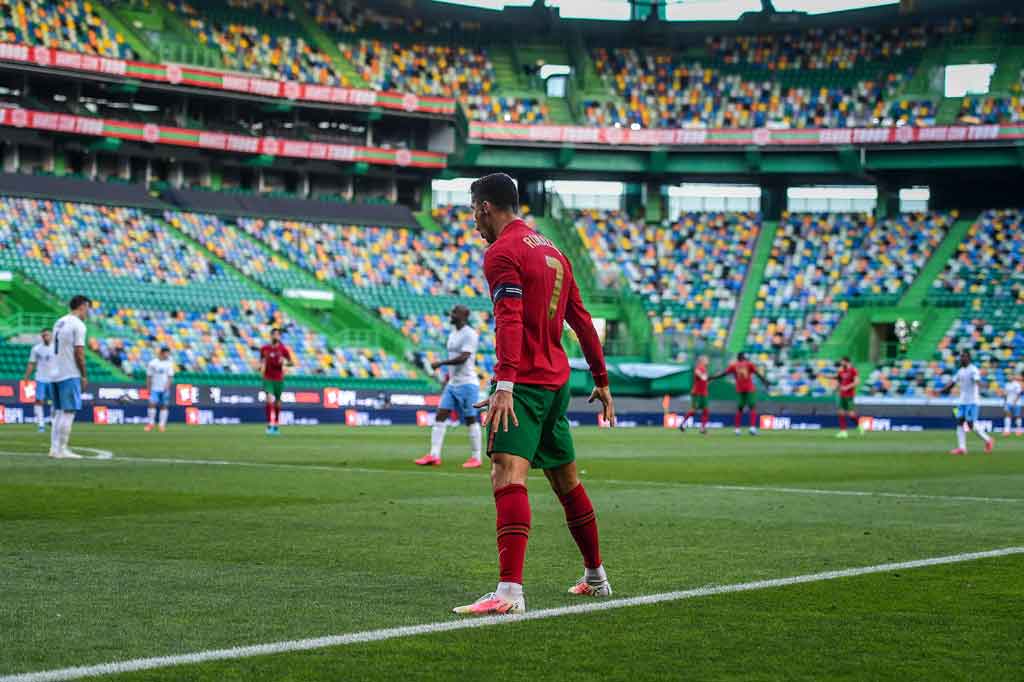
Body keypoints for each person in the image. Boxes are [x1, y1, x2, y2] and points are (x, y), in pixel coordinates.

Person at [453, 173, 615, 616]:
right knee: (566, 482)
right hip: (556, 382)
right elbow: (581, 320)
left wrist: (505, 384)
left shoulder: (502, 252)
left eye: (473, 212)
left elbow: (508, 317)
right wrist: (601, 379)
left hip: (523, 382)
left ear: (485, 207)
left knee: (507, 475)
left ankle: (509, 593)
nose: (474, 222)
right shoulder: (553, 251)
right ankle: (596, 577)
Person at [415, 305, 483, 468]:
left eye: (454, 313)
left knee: (470, 419)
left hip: (467, 383)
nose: (451, 315)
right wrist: (447, 378)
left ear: (464, 316)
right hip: (453, 383)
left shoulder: (470, 334)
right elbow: (455, 357)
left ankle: (476, 457)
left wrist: (441, 363)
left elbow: (464, 357)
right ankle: (434, 455)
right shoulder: (453, 334)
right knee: (440, 416)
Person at [49, 295, 90, 459]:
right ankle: (62, 449)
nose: (87, 312)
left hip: (55, 372)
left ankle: (54, 449)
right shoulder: (78, 325)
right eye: (87, 308)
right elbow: (79, 352)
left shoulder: (59, 322)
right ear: (82, 306)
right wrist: (84, 375)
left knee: (59, 413)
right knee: (68, 412)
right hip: (69, 372)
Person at [939, 351, 994, 455]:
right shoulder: (960, 371)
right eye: (961, 357)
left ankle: (988, 440)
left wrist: (982, 386)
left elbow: (977, 380)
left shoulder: (973, 370)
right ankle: (962, 448)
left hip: (972, 401)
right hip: (962, 401)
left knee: (970, 424)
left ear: (968, 358)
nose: (961, 359)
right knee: (960, 421)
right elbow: (952, 383)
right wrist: (941, 390)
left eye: (963, 357)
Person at [709, 352, 767, 435]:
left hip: (740, 389)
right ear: (744, 357)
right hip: (749, 389)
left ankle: (737, 429)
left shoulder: (733, 366)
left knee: (740, 409)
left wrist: (713, 377)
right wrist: (765, 381)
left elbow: (723, 374)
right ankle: (752, 428)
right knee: (752, 408)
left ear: (738, 358)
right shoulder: (749, 364)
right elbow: (757, 373)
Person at [259, 328, 293, 435]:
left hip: (279, 378)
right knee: (269, 399)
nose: (275, 336)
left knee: (278, 402)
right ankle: (270, 424)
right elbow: (261, 361)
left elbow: (291, 362)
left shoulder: (283, 349)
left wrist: (284, 363)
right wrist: (261, 367)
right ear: (271, 336)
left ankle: (276, 424)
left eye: (278, 335)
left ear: (280, 336)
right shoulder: (264, 348)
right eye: (274, 334)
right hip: (267, 377)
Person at [23, 328, 57, 433]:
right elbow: (31, 363)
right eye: (44, 335)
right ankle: (41, 424)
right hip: (40, 378)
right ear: (41, 337)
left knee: (55, 401)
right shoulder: (36, 349)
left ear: (51, 336)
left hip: (54, 378)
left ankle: (52, 420)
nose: (46, 337)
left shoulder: (57, 348)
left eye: (47, 335)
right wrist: (26, 376)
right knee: (39, 401)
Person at [144, 346, 175, 433]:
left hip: (164, 388)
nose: (167, 355)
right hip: (154, 388)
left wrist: (167, 386)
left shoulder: (169, 363)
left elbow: (170, 376)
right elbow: (149, 376)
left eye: (168, 353)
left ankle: (162, 425)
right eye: (166, 353)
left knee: (164, 406)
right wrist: (148, 388)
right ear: (162, 353)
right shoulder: (153, 363)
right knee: (152, 404)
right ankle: (151, 423)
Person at [679, 355, 709, 434]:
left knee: (705, 411)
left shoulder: (705, 368)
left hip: (703, 393)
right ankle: (682, 424)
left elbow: (705, 380)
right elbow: (698, 373)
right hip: (697, 393)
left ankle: (702, 428)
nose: (707, 361)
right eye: (706, 359)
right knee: (694, 410)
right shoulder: (699, 367)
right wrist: (702, 376)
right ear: (702, 360)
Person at [835, 356, 861, 439]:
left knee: (851, 414)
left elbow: (857, 382)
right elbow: (839, 381)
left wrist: (847, 387)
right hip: (842, 395)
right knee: (841, 412)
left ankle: (860, 426)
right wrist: (837, 388)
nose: (841, 363)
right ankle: (843, 432)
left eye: (842, 362)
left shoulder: (853, 370)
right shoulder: (841, 371)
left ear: (846, 362)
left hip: (849, 395)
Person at [1000, 371, 1022, 437]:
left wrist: (1015, 401)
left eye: (1010, 376)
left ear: (1013, 377)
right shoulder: (1007, 384)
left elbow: (1019, 394)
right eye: (1008, 376)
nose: (1009, 377)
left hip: (1016, 403)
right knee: (1007, 415)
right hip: (1008, 402)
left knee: (1017, 415)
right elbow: (1005, 394)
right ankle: (1007, 430)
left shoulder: (1017, 384)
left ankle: (1018, 430)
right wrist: (1004, 400)